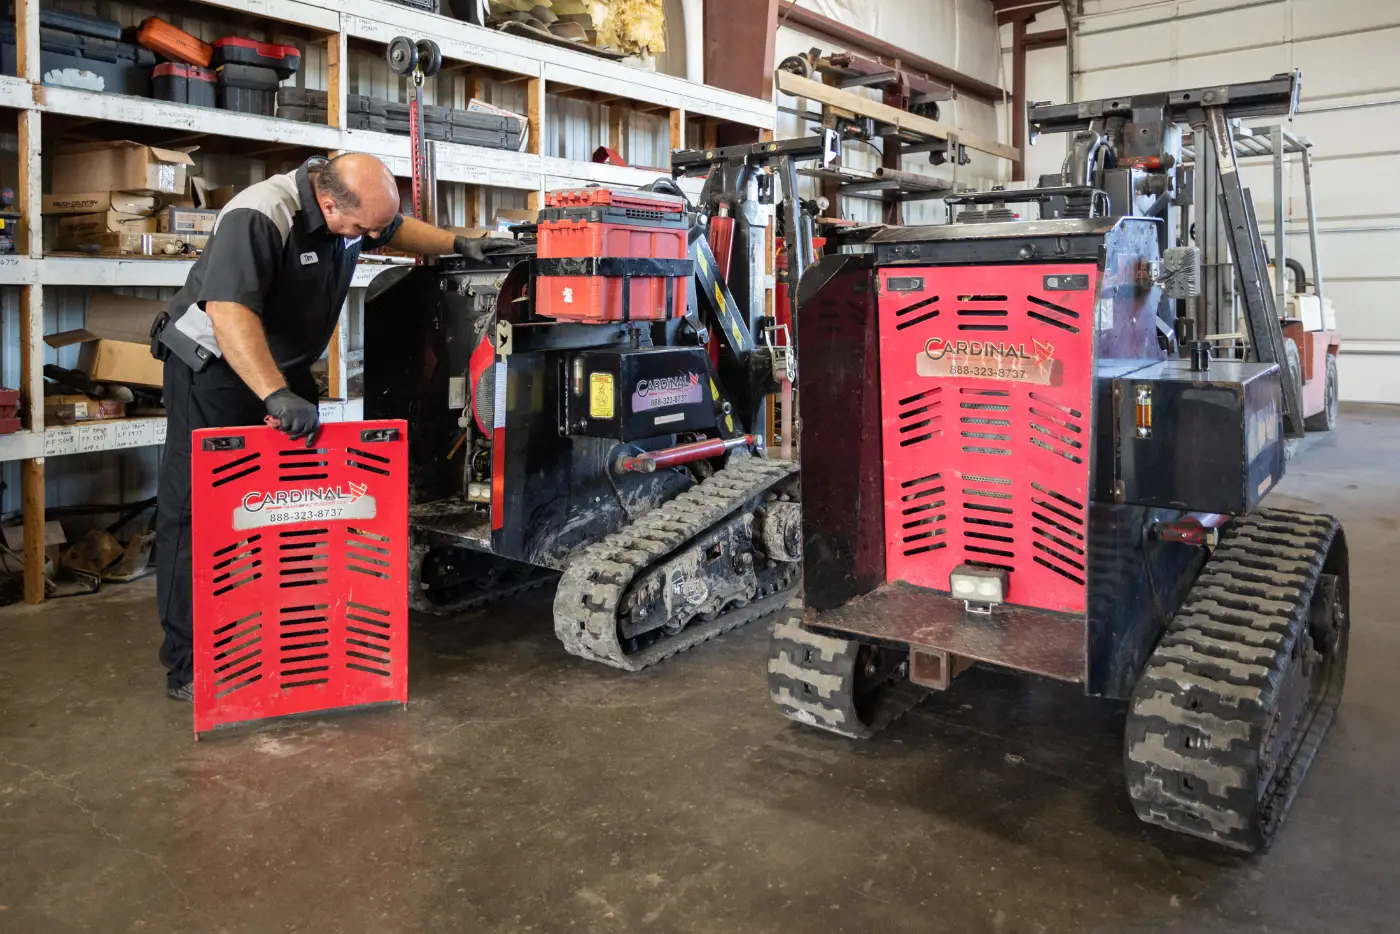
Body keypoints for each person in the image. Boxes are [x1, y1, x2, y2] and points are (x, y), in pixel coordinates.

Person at [151, 152, 490, 701]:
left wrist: (457, 245)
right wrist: (276, 394)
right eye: (364, 229)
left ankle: (291, 632)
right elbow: (229, 312)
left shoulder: (354, 211)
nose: (374, 236)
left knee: (304, 505)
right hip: (213, 367)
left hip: (275, 367)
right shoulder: (260, 214)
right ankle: (190, 663)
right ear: (328, 203)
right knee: (196, 513)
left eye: (376, 227)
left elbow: (394, 227)